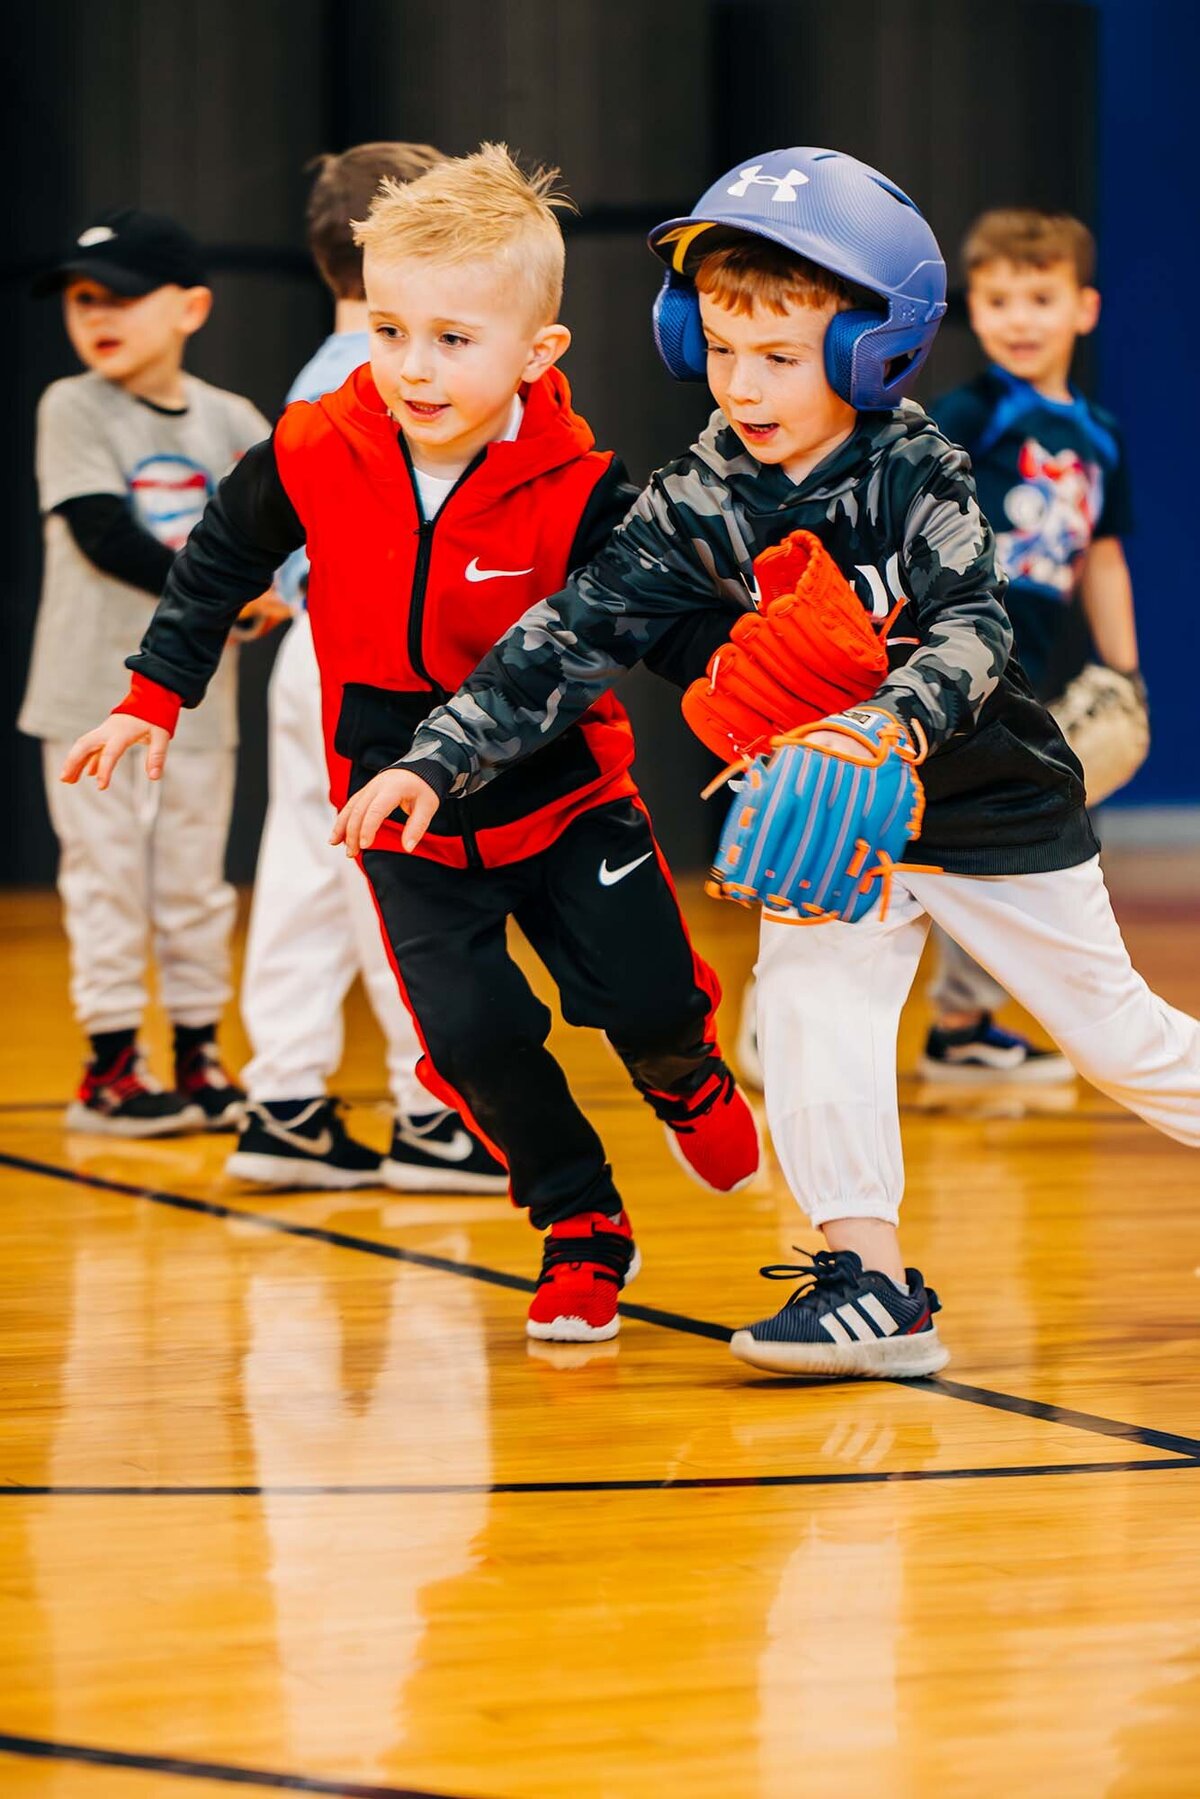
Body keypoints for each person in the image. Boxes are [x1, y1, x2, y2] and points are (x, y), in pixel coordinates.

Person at [332, 146, 1200, 1379]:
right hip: (832, 817)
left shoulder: (917, 469)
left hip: (984, 800)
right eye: (723, 349)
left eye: (781, 358)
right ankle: (872, 1284)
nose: (743, 382)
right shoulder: (704, 488)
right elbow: (580, 628)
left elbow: (975, 629)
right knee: (806, 1015)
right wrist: (439, 756)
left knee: (1124, 1047)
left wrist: (878, 725)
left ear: (871, 352)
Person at [61, 145, 760, 1343]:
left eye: (451, 338)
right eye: (389, 330)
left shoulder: (583, 481)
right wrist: (151, 695)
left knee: (637, 993)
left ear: (537, 354)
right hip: (397, 806)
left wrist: (762, 715)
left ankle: (681, 1064)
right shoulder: (316, 443)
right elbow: (218, 558)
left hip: (564, 786)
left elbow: (671, 620)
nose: (412, 367)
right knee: (474, 1040)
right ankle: (581, 1225)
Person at [228, 140, 507, 1194]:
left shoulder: (316, 370)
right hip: (381, 649)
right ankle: (435, 1109)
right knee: (411, 880)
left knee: (306, 870)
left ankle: (285, 1099)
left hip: (313, 646)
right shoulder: (402, 375)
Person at [22, 208, 280, 1136]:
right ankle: (111, 1068)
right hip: (87, 694)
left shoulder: (232, 421)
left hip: (196, 710)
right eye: (83, 299)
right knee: (104, 880)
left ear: (192, 308)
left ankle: (201, 1056)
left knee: (191, 883)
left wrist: (277, 589)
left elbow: (279, 536)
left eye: (123, 296)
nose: (99, 315)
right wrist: (232, 600)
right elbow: (106, 536)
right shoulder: (73, 406)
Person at [918, 207, 1144, 1083]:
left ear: (1083, 309)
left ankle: (965, 1024)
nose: (1018, 318)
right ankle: (791, 1009)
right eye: (998, 299)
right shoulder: (965, 416)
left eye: (1039, 297)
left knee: (1036, 841)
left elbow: (1104, 556)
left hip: (1035, 669)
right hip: (949, 666)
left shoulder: (1100, 437)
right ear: (973, 311)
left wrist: (1124, 673)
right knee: (922, 844)